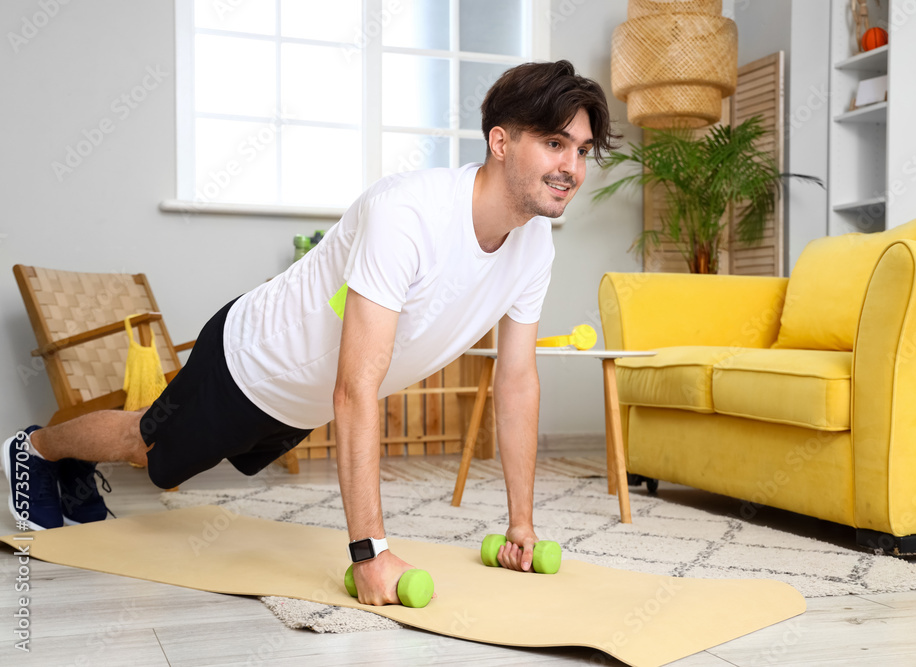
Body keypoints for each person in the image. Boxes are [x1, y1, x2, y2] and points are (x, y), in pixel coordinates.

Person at [3, 59, 619, 605]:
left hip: (299, 402)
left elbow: (515, 382)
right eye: (555, 143)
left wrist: (521, 526)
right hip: (249, 360)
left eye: (583, 150)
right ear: (501, 141)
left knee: (161, 459)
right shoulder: (408, 213)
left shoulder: (535, 245)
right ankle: (34, 450)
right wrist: (369, 553)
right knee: (149, 450)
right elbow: (357, 385)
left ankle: (70, 469)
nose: (571, 166)